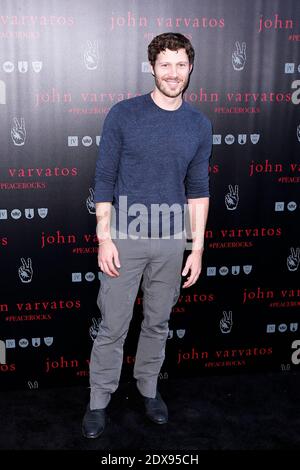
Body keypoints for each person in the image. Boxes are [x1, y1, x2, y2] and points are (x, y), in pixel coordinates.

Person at [82, 32, 212, 438]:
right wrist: (105, 238)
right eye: (165, 65)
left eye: (180, 65)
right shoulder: (123, 114)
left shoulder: (199, 124)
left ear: (190, 68)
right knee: (113, 325)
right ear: (152, 68)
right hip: (125, 237)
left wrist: (197, 248)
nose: (173, 73)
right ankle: (99, 401)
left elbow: (199, 191)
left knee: (157, 322)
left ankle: (149, 389)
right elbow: (103, 180)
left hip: (172, 241)